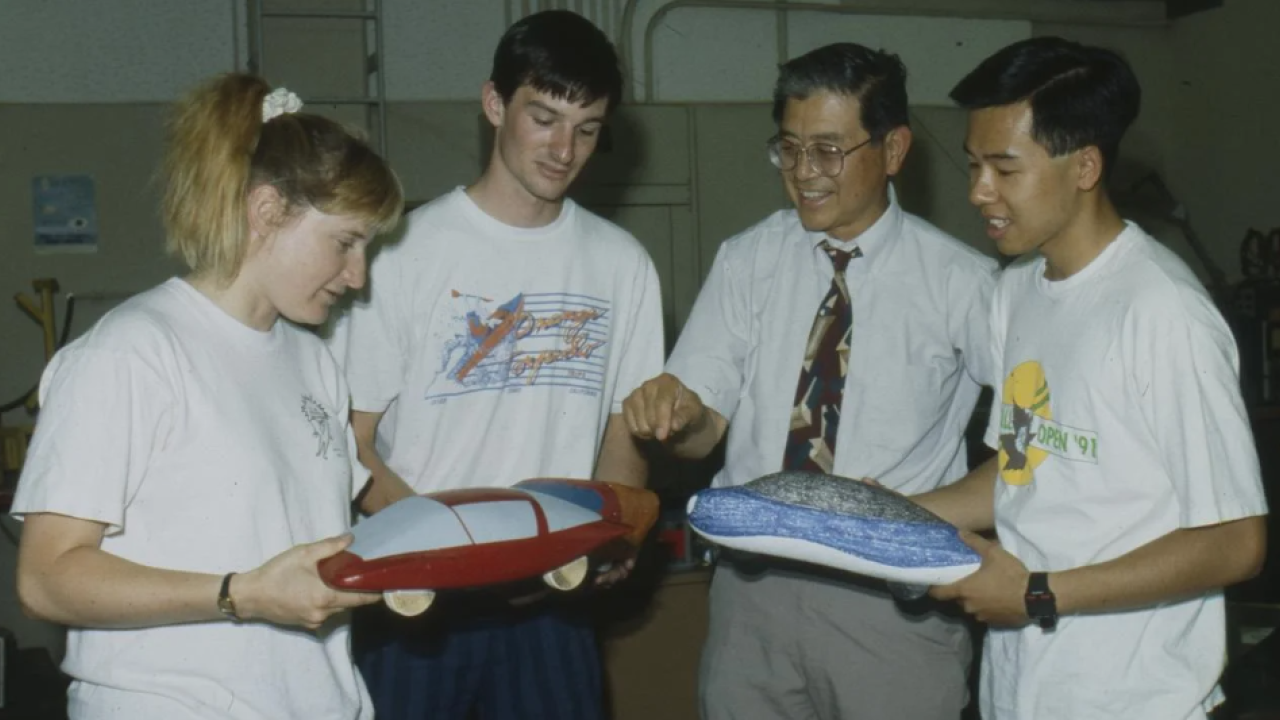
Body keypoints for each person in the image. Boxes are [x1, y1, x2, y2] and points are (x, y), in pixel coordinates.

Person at [622, 43, 997, 720]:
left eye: (828, 150)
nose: (803, 173)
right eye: (788, 149)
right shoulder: (748, 260)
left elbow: (1043, 440)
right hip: (752, 600)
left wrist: (933, 511)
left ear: (893, 149)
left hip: (892, 607)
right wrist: (674, 413)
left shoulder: (963, 284)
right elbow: (702, 434)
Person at [11, 73, 404, 719]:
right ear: (267, 211)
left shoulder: (315, 362)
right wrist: (240, 594)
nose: (358, 277)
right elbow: (46, 579)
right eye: (345, 243)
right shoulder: (132, 352)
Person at [912, 36, 1269, 720]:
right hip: (1023, 690)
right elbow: (1028, 465)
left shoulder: (1164, 313)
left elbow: (1236, 540)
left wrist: (1038, 594)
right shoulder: (1015, 293)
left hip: (1134, 701)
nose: (977, 191)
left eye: (1004, 169)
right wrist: (898, 513)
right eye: (973, 165)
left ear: (1085, 166)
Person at [329, 9, 663, 720]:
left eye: (588, 127)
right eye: (543, 117)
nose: (564, 148)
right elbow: (351, 445)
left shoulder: (621, 264)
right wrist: (455, 560)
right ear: (493, 104)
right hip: (419, 605)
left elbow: (622, 432)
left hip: (554, 602)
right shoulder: (402, 252)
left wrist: (613, 532)